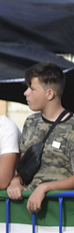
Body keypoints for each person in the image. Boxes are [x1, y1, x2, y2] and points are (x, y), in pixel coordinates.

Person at [7, 62, 74, 212]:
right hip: (28, 213)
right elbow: (23, 166)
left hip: (62, 215)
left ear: (50, 93)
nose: (26, 93)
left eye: (32, 88)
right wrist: (16, 181)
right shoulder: (31, 122)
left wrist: (44, 188)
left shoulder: (72, 127)